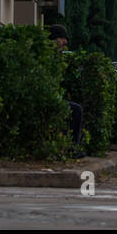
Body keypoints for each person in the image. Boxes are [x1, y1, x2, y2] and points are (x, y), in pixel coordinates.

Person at [47, 24, 85, 156]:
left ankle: (71, 146)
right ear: (54, 38)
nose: (65, 42)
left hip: (52, 99)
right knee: (75, 110)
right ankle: (71, 148)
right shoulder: (47, 56)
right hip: (47, 101)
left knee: (75, 108)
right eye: (62, 38)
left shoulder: (55, 57)